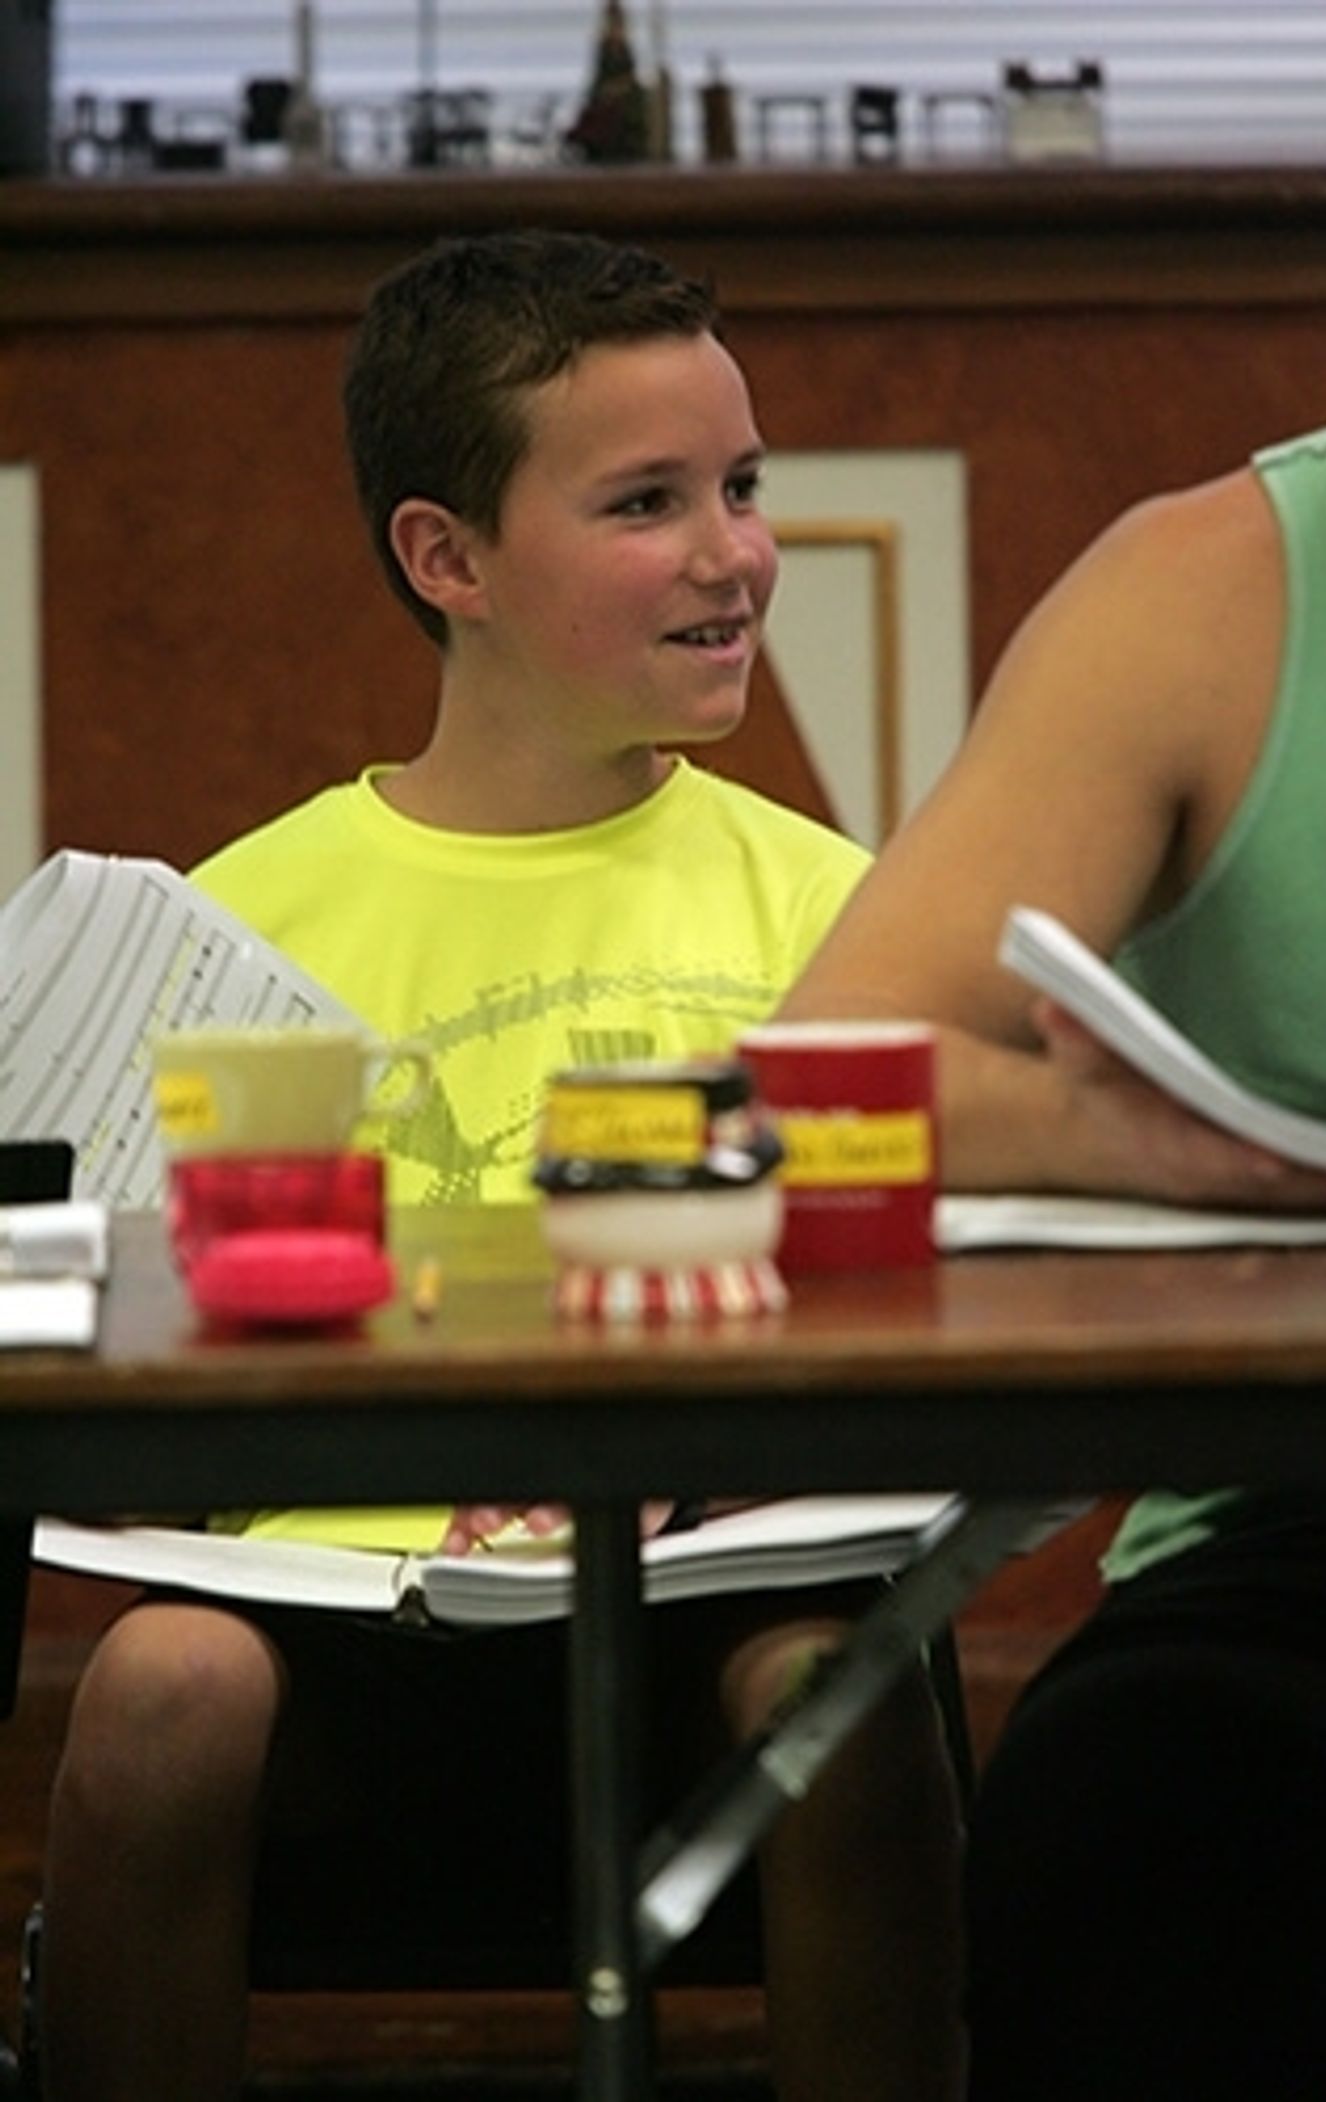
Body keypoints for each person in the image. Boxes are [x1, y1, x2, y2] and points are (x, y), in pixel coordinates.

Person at [38, 230, 965, 2102]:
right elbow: (120, 1315)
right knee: (154, 1693)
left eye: (744, 485)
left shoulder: (839, 909)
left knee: (838, 1697)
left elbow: (916, 1292)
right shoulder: (235, 922)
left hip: (716, 1582)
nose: (733, 554)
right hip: (338, 1611)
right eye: (647, 501)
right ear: (445, 558)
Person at [781, 138, 1326, 2099]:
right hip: (1321, 1533)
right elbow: (809, 1093)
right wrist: (1134, 1146)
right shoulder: (1203, 595)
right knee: (1146, 1807)